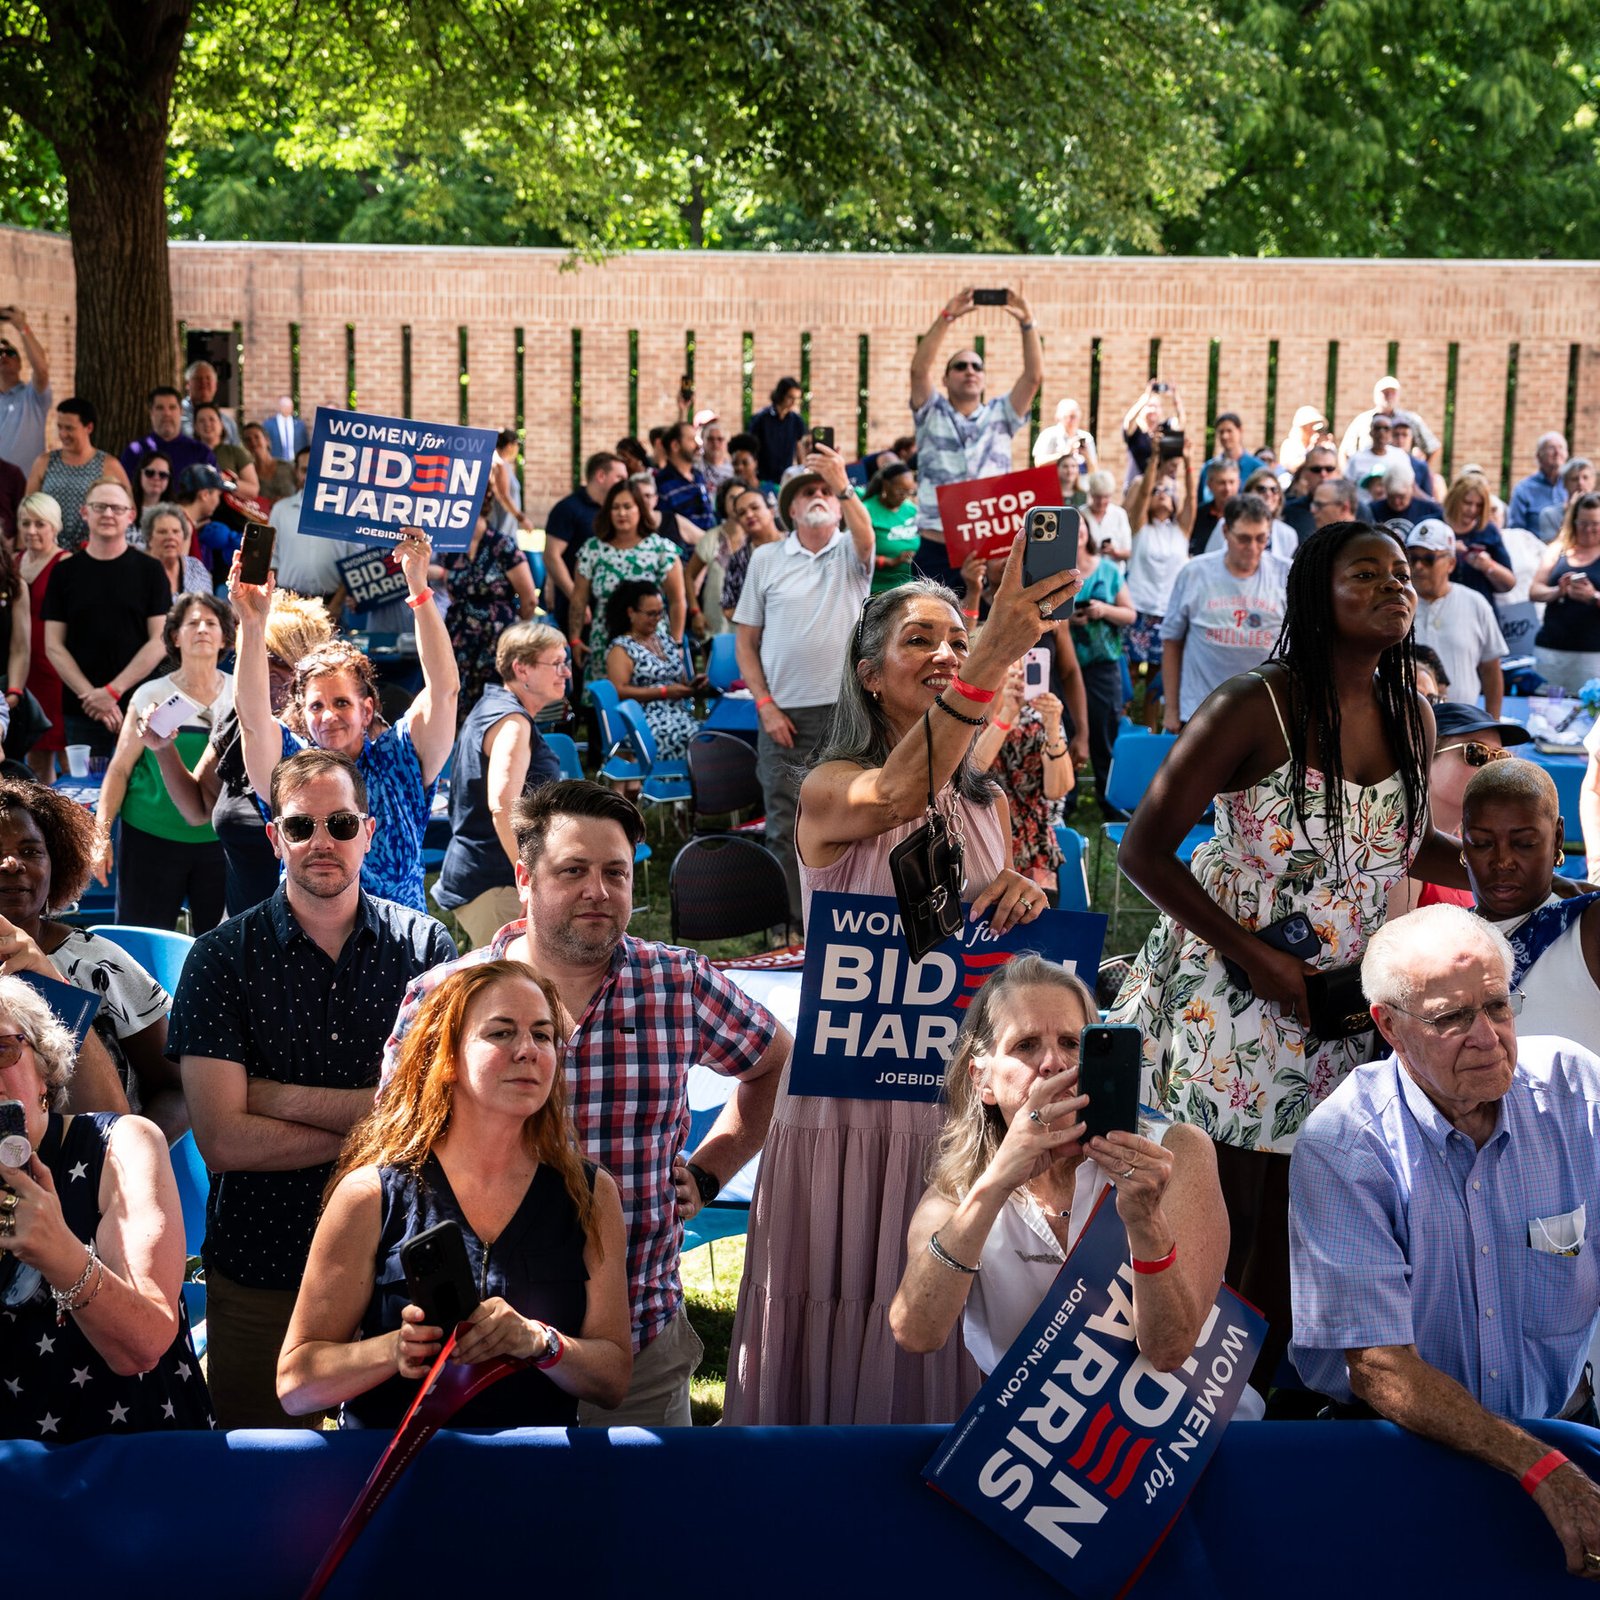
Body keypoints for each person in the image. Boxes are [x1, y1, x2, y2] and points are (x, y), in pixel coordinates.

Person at [1110, 521, 1467, 1395]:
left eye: (1401, 574)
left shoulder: (1412, 713)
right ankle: (1191, 1403)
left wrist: (1516, 871)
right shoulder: (1253, 704)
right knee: (1227, 1208)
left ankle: (1266, 1403)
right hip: (1231, 991)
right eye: (1366, 574)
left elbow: (1398, 842)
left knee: (1304, 1205)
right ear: (1315, 592)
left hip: (1335, 1001)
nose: (1395, 586)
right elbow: (1145, 850)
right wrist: (1256, 958)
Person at [725, 543, 1079, 1426]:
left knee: (943, 1304)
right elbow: (895, 795)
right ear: (869, 675)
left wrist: (1021, 892)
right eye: (919, 640)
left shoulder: (989, 802)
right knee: (839, 1291)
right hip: (847, 1107)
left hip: (955, 1104)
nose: (946, 653)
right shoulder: (830, 788)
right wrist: (997, 648)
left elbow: (1003, 939)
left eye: (958, 639)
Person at [383, 780, 789, 1426]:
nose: (597, 891)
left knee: (638, 1499)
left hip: (637, 1345)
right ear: (524, 879)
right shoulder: (445, 997)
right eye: (573, 871)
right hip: (479, 1349)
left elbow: (775, 1062)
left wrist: (712, 1170)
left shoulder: (675, 984)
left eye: (615, 873)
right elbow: (394, 1155)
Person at [1289, 906, 1600, 1582]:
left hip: (1565, 1431)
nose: (1487, 1037)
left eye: (1497, 1006)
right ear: (1389, 1026)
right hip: (1405, 1453)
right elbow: (1379, 1367)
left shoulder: (1577, 1091)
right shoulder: (1346, 1142)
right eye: (1452, 1019)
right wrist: (1538, 1468)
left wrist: (1556, 1461)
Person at [171, 748, 457, 1428]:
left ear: (369, 832)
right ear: (275, 838)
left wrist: (269, 1095)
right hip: (262, 1261)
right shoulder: (219, 958)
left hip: (400, 1264)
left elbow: (440, 1114)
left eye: (341, 824)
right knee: (263, 1475)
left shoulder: (427, 950)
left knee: (407, 1471)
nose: (322, 841)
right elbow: (224, 1142)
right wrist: (382, 1126)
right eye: (301, 826)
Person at [277, 960, 631, 1426]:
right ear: (446, 1059)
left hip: (534, 1468)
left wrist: (541, 1342)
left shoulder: (589, 1193)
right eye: (501, 1033)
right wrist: (394, 1350)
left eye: (543, 1035)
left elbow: (613, 1381)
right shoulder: (370, 1195)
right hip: (401, 1466)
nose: (528, 1050)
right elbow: (295, 1385)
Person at [890, 956, 1228, 1377]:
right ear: (982, 1080)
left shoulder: (1173, 1153)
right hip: (1032, 1417)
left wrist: (1146, 1221)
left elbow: (1169, 1350)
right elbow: (916, 1334)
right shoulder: (959, 1189)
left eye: (1071, 1042)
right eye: (1026, 1045)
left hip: (1176, 1413)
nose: (1053, 1062)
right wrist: (996, 1184)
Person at [0, 975, 212, 1444]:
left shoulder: (120, 1146)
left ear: (44, 1068)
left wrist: (60, 1253)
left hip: (132, 1452)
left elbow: (144, 1345)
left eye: (3, 1050)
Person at [233, 533, 458, 914]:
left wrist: (418, 588)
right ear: (303, 714)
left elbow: (444, 690)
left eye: (341, 703)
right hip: (303, 937)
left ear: (367, 711)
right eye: (316, 706)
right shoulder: (289, 764)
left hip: (397, 939)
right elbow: (252, 720)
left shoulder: (400, 758)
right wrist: (252, 623)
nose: (328, 716)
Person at [733, 444, 875, 928]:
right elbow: (746, 642)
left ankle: (847, 926)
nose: (818, 496)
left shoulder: (852, 550)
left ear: (838, 503)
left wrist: (842, 483)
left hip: (848, 713)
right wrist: (765, 704)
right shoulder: (765, 558)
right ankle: (794, 930)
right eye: (806, 492)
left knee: (856, 821)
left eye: (825, 491)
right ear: (790, 509)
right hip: (783, 716)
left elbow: (866, 536)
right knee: (784, 823)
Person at [0, 777, 179, 1132]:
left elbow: (178, 1088)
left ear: (56, 864)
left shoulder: (99, 964)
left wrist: (135, 1154)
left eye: (30, 851)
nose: (11, 863)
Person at [145, 589, 335, 918]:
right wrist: (163, 748)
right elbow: (198, 808)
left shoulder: (329, 733)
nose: (271, 669)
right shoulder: (237, 721)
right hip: (243, 930)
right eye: (264, 655)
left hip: (315, 928)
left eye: (284, 660)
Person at [91, 593, 234, 934]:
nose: (202, 629)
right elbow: (119, 769)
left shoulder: (241, 693)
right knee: (140, 950)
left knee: (222, 951)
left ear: (225, 638)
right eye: (192, 623)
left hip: (221, 845)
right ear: (175, 637)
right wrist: (100, 835)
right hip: (149, 840)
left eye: (211, 623)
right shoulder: (149, 694)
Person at [434, 622, 568, 947]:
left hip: (486, 877)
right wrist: (529, 879)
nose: (565, 672)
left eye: (565, 663)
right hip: (497, 885)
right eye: (556, 663)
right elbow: (503, 805)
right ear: (522, 669)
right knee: (516, 979)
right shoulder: (513, 723)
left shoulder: (495, 705)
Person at [908, 286, 1042, 590]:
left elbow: (1033, 378)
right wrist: (947, 316)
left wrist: (1027, 322)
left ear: (983, 379)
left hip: (990, 549)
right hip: (937, 546)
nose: (969, 371)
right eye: (960, 366)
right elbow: (918, 371)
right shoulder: (931, 410)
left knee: (989, 620)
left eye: (976, 366)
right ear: (945, 379)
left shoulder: (1002, 413)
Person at [1459, 759, 1597, 1036]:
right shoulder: (1439, 938)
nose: (1503, 861)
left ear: (1557, 837)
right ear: (1463, 838)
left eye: (1524, 844)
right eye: (1482, 843)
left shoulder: (1589, 928)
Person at [41, 478, 171, 759]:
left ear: (131, 515)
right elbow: (53, 645)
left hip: (142, 704)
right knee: (85, 785)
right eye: (99, 507)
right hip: (83, 707)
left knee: (142, 783)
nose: (108, 514)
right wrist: (92, 696)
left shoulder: (150, 571)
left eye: (116, 508)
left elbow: (159, 640)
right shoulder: (63, 572)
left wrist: (112, 691)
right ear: (84, 512)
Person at [1161, 493, 1290, 730]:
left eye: (1261, 538)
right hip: (1202, 709)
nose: (1253, 548)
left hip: (1268, 712)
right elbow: (1171, 641)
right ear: (1225, 532)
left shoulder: (1285, 574)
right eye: (1243, 539)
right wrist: (1171, 709)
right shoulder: (1195, 573)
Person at [567, 478, 686, 682]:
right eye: (615, 508)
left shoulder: (661, 549)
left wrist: (676, 643)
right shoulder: (593, 549)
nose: (621, 513)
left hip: (651, 640)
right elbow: (579, 599)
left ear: (640, 509)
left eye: (627, 507)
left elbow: (677, 601)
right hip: (605, 639)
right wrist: (575, 639)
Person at [971, 661, 1073, 891]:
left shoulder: (1037, 718)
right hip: (978, 846)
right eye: (1006, 661)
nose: (1014, 670)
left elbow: (1057, 790)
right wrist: (1006, 715)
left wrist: (1053, 727)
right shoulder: (966, 718)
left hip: (1033, 851)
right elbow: (972, 770)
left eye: (1018, 661)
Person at [1063, 507, 1135, 812]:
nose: (1077, 532)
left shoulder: (1108, 570)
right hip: (1066, 668)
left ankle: (1110, 800)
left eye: (1081, 526)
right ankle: (1066, 801)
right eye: (1071, 528)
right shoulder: (1054, 573)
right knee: (1065, 731)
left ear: (1087, 531)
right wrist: (1069, 619)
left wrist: (1103, 610)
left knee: (1105, 732)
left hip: (1103, 667)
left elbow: (1130, 614)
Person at [1400, 519, 1508, 716]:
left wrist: (1494, 722)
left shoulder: (1475, 603)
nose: (1419, 566)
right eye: (1412, 558)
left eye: (1428, 559)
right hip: (1406, 721)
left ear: (1450, 563)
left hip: (1462, 723)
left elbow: (1491, 670)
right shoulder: (1396, 604)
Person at [441, 506, 538, 723]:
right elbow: (453, 589)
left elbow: (529, 598)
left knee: (494, 707)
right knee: (458, 704)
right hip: (460, 639)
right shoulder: (452, 546)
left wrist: (516, 626)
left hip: (496, 640)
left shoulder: (502, 545)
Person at [1124, 454, 1195, 723]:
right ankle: (1123, 726)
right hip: (1138, 608)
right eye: (1157, 491)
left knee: (1157, 680)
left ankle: (1150, 729)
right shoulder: (1139, 527)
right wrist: (1153, 458)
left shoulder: (1181, 531)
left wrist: (1188, 461)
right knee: (1130, 674)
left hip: (1167, 611)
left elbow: (1192, 499)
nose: (1162, 494)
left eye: (1167, 491)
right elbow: (1142, 494)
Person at [604, 579, 699, 761]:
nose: (657, 618)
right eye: (651, 614)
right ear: (631, 613)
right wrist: (663, 692)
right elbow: (618, 690)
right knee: (689, 739)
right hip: (642, 719)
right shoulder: (622, 648)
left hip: (677, 713)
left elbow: (678, 679)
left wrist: (692, 686)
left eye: (660, 612)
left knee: (706, 734)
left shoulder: (665, 640)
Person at [23, 397, 129, 551]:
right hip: (48, 550)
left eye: (69, 428)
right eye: (60, 427)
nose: (63, 434)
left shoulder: (109, 466)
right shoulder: (44, 462)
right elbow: (27, 509)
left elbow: (127, 509)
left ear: (89, 428)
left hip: (92, 551)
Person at [543, 451, 628, 632]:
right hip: (577, 610)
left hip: (611, 608)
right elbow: (551, 556)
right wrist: (577, 599)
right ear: (601, 476)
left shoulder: (615, 512)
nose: (624, 483)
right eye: (619, 477)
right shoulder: (568, 508)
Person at [16, 493, 65, 783]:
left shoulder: (65, 563)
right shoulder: (13, 562)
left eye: (39, 524)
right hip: (21, 668)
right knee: (34, 756)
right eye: (25, 523)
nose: (31, 530)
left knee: (65, 754)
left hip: (56, 670)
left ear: (54, 526)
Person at [269, 446, 356, 611]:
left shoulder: (347, 512)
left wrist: (336, 605)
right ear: (296, 472)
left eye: (318, 470)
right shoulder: (280, 510)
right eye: (305, 470)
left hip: (330, 605)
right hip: (286, 604)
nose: (311, 476)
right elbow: (272, 560)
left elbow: (353, 564)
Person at [1531, 492, 1600, 693]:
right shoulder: (1558, 549)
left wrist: (1593, 596)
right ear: (1573, 522)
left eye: (1595, 524)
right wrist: (1558, 591)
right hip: (1551, 649)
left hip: (1593, 652)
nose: (1588, 530)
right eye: (1583, 523)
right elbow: (1534, 590)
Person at [118, 386, 216, 488]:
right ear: (151, 413)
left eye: (172, 407)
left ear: (181, 411)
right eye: (160, 408)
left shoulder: (201, 453)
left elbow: (213, 492)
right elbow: (123, 491)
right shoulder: (134, 452)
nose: (167, 413)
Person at [1442, 473, 1516, 604]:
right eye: (1467, 503)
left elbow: (1510, 583)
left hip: (1479, 606)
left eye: (1479, 505)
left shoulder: (1488, 531)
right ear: (1455, 499)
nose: (1472, 510)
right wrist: (1447, 550)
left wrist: (1488, 566)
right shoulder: (1434, 524)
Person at [1339, 375, 1439, 467]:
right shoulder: (1363, 420)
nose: (1389, 395)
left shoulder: (1410, 420)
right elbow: (1345, 451)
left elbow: (1434, 447)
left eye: (1393, 392)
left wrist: (1423, 473)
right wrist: (1348, 476)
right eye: (1385, 392)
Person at [1204, 469, 1300, 563]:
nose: (1268, 494)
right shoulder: (1227, 524)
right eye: (1261, 489)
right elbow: (1210, 563)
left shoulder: (1288, 534)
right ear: (1248, 493)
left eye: (1274, 489)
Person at [0, 306, 51, 473]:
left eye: (10, 353)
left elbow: (41, 369)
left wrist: (22, 326)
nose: (4, 356)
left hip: (27, 484)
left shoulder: (33, 396)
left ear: (20, 364)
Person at [863, 460, 920, 593]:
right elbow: (853, 554)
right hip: (879, 591)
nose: (904, 496)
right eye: (900, 491)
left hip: (910, 588)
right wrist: (891, 561)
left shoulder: (911, 509)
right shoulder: (866, 511)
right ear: (886, 485)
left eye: (909, 492)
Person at [654, 421, 717, 537]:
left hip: (710, 544)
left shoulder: (698, 476)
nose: (698, 445)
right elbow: (666, 527)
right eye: (691, 440)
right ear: (675, 446)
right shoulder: (661, 484)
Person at [1121, 380, 1187, 488]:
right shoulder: (1136, 433)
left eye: (1156, 406)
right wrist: (1145, 396)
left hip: (1161, 486)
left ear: (1161, 410)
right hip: (1137, 486)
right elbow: (1128, 421)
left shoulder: (1166, 428)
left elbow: (1181, 423)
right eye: (1149, 406)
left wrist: (1176, 396)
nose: (1152, 410)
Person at [139, 504, 213, 597]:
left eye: (176, 531)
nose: (171, 537)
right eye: (162, 532)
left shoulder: (196, 568)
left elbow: (208, 603)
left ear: (184, 536)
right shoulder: (135, 571)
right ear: (149, 538)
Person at [747, 377, 808, 486]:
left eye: (797, 398)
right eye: (790, 397)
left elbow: (799, 449)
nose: (794, 402)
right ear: (781, 395)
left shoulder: (797, 421)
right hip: (763, 478)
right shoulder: (761, 419)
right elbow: (751, 450)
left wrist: (802, 475)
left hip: (786, 479)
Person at [1197, 413, 1264, 509]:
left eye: (1229, 431)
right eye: (1221, 432)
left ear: (1240, 431)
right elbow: (1201, 501)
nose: (1225, 436)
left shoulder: (1258, 468)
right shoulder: (1208, 468)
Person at [1507, 431, 1570, 535]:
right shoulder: (1523, 489)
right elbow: (1515, 530)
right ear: (1538, 455)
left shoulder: (1574, 485)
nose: (1557, 452)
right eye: (1551, 448)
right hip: (1534, 544)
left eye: (1561, 447)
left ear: (1567, 454)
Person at [1282, 445, 1341, 539]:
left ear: (1338, 472)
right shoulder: (1289, 511)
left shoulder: (1356, 509)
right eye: (1316, 469)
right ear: (1305, 474)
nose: (1323, 474)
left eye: (1329, 469)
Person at [486, 428, 533, 539]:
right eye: (517, 445)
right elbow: (503, 496)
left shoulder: (502, 464)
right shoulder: (500, 464)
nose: (518, 448)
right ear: (509, 445)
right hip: (502, 524)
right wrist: (522, 518)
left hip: (507, 523)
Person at [179, 362, 239, 445]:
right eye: (198, 378)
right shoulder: (176, 415)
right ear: (187, 384)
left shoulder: (228, 423)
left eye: (208, 378)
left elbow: (235, 450)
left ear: (216, 385)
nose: (203, 382)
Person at [1032, 397, 1098, 472]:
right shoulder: (1048, 434)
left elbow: (1094, 471)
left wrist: (1086, 456)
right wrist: (1064, 454)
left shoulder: (1086, 436)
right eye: (1068, 416)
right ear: (1059, 417)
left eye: (1074, 417)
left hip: (1080, 478)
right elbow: (1038, 463)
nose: (1071, 420)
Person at [1081, 470, 1132, 562]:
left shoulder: (1119, 514)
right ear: (1091, 494)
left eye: (1106, 497)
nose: (1101, 501)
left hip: (1113, 568)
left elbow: (1127, 552)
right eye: (1097, 497)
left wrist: (1115, 552)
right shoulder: (1081, 514)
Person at [1541, 458, 1595, 544]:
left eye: (1585, 478)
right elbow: (1552, 547)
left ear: (1593, 481)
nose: (1580, 483)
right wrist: (1571, 511)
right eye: (1574, 479)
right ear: (1565, 483)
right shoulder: (1550, 515)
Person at [242, 422, 295, 501]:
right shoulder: (247, 474)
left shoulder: (288, 467)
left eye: (256, 437)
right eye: (248, 440)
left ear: (267, 440)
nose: (253, 441)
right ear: (245, 446)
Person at [1277, 405, 1329, 474]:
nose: (1314, 429)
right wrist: (1311, 449)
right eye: (1310, 425)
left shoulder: (1323, 445)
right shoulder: (1289, 445)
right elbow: (1292, 468)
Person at [262, 395, 308, 463]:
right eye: (285, 406)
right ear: (279, 407)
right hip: (277, 462)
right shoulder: (269, 424)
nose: (287, 408)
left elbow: (304, 443)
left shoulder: (300, 424)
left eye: (289, 406)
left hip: (295, 461)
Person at [131, 451, 174, 516]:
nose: (156, 478)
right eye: (150, 473)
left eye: (163, 475)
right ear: (140, 475)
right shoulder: (125, 507)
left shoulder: (175, 513)